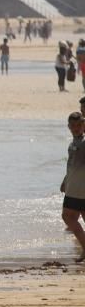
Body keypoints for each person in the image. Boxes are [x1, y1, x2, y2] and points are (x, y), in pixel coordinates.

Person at [61, 111, 85, 262]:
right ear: (68, 127)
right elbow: (71, 165)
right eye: (73, 126)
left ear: (84, 126)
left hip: (78, 189)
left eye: (79, 125)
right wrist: (65, 180)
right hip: (73, 187)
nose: (76, 128)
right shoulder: (73, 143)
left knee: (67, 216)